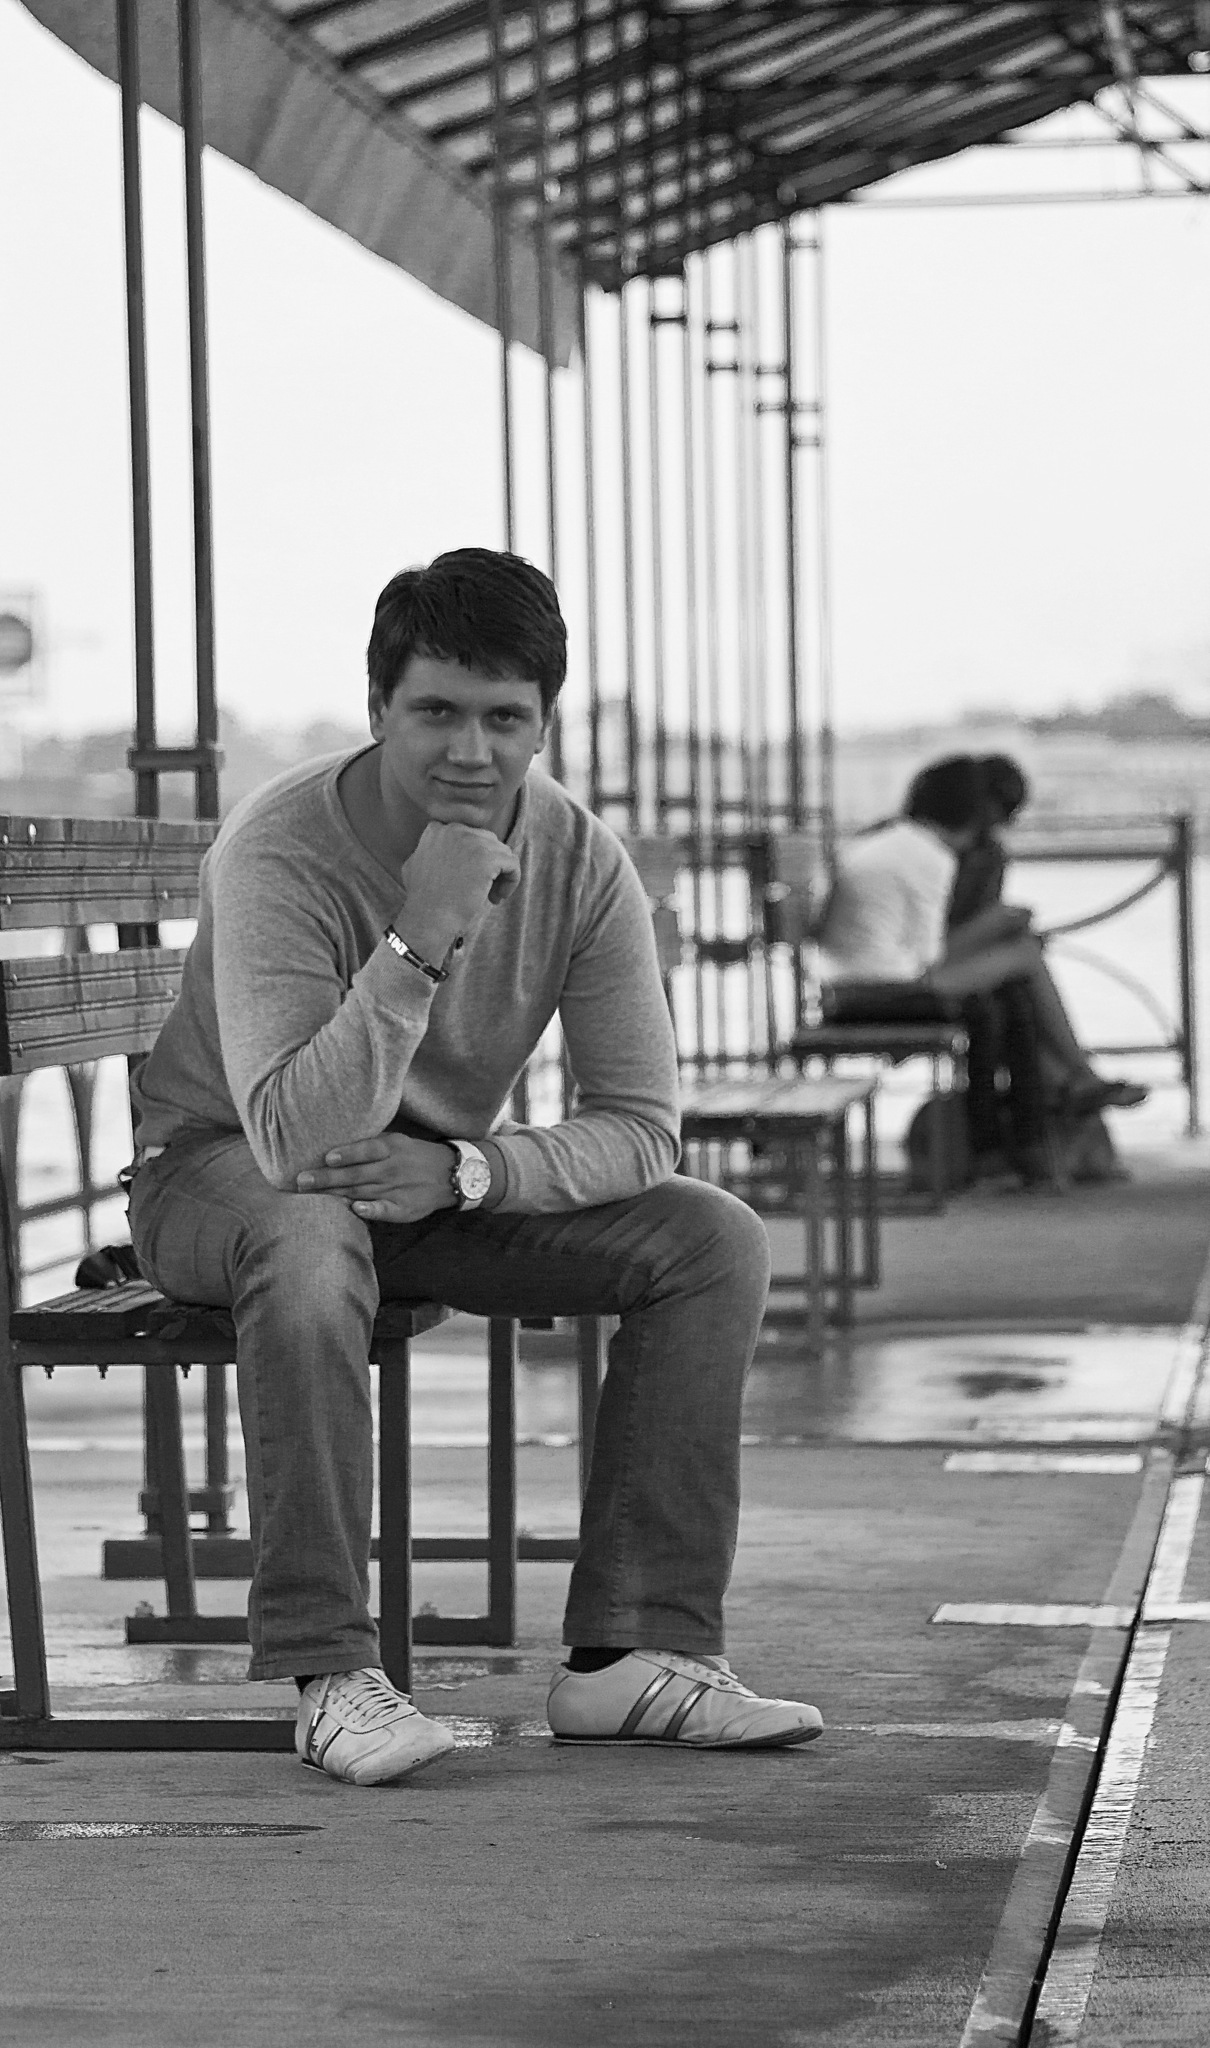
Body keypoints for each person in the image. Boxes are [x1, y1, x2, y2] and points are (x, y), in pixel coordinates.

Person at [124, 547, 823, 1787]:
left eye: (504, 717)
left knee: (710, 1235)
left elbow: (641, 1123)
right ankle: (329, 1674)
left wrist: (468, 1172)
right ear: (378, 706)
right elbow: (292, 1139)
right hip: (220, 1173)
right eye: (435, 711)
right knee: (306, 1228)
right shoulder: (281, 846)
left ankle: (630, 1656)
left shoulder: (579, 858)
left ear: (544, 720)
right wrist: (421, 931)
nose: (470, 749)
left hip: (424, 1186)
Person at [816, 755, 1055, 1184]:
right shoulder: (931, 857)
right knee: (1019, 963)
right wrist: (991, 936)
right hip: (883, 991)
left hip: (844, 985)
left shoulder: (887, 841)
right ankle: (1034, 1130)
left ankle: (1005, 1148)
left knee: (1007, 995)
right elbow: (929, 957)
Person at [945, 753, 1146, 1119]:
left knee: (1015, 994)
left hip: (952, 958)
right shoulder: (954, 852)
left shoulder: (984, 854)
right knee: (1019, 970)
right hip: (934, 965)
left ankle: (1067, 1083)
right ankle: (1074, 1077)